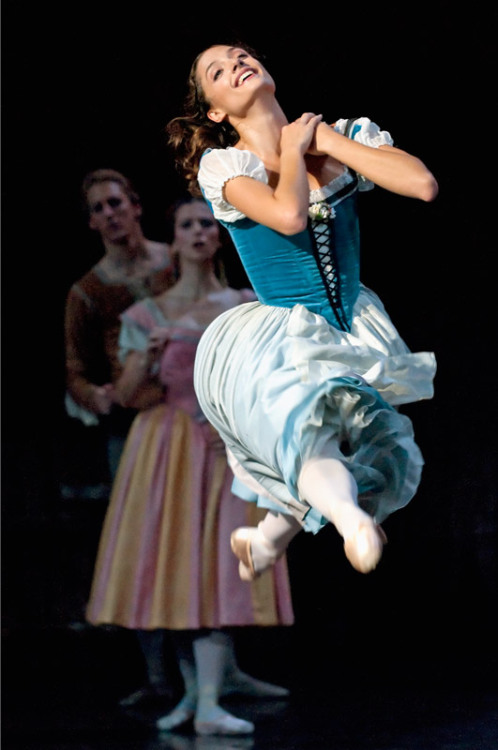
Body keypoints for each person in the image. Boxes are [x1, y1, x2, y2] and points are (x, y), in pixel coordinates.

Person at [166, 43, 438, 582]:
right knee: (306, 430)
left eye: (241, 55)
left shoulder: (337, 135)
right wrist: (292, 153)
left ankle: (264, 542)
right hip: (281, 332)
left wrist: (328, 140)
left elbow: (422, 185)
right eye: (219, 71)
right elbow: (289, 217)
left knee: (383, 449)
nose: (237, 64)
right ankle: (348, 519)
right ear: (216, 111)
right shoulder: (225, 165)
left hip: (352, 321)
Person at [85, 195, 294, 737]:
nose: (199, 231)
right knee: (176, 570)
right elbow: (130, 398)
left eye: (208, 223)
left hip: (223, 446)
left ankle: (206, 701)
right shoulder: (145, 315)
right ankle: (196, 699)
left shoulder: (245, 306)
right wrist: (144, 359)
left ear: (218, 237)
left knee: (219, 572)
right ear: (173, 239)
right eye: (188, 224)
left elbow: (268, 384)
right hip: (165, 449)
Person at [64, 168, 174, 488]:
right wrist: (94, 396)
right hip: (132, 413)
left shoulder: (176, 261)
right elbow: (75, 368)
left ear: (135, 207)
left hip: (191, 400)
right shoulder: (87, 291)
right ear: (91, 222)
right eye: (98, 209)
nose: (109, 213)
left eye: (115, 203)